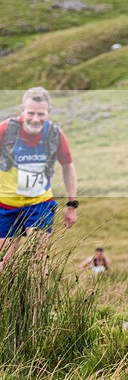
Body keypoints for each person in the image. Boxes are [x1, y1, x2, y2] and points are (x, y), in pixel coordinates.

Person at [0, 87, 78, 270]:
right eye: (31, 113)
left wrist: (72, 204)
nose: (35, 119)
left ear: (49, 112)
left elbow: (68, 166)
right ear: (22, 110)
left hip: (39, 204)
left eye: (41, 114)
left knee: (39, 261)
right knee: (4, 264)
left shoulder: (54, 134)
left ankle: (37, 299)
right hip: (6, 205)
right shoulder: (5, 130)